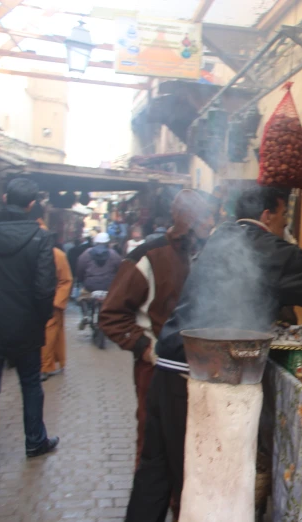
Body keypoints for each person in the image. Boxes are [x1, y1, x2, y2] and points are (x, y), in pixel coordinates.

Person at [125, 184, 302, 522]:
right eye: (283, 215)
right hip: (200, 376)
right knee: (202, 483)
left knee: (153, 472)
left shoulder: (222, 238)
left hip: (167, 366)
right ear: (267, 215)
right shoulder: (271, 250)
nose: (285, 224)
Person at [99, 190, 216, 468]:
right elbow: (111, 314)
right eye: (207, 216)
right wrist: (147, 349)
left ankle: (181, 507)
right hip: (156, 369)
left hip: (198, 368)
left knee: (190, 449)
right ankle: (149, 504)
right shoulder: (149, 256)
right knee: (154, 444)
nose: (212, 222)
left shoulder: (207, 255)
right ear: (189, 218)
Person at [0, 178, 60, 477]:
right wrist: (40, 319)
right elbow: (45, 287)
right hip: (26, 326)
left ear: (6, 198)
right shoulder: (40, 236)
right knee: (31, 385)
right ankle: (35, 442)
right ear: (32, 204)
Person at [29, 203, 74, 381]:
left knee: (48, 337)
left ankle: (44, 367)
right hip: (29, 302)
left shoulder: (57, 255)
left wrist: (56, 302)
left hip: (50, 303)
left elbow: (66, 280)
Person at [76, 232, 122, 328]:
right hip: (108, 286)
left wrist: (81, 280)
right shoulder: (113, 254)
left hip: (90, 285)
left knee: (82, 297)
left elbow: (80, 268)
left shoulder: (86, 253)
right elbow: (120, 269)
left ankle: (85, 315)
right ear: (107, 242)